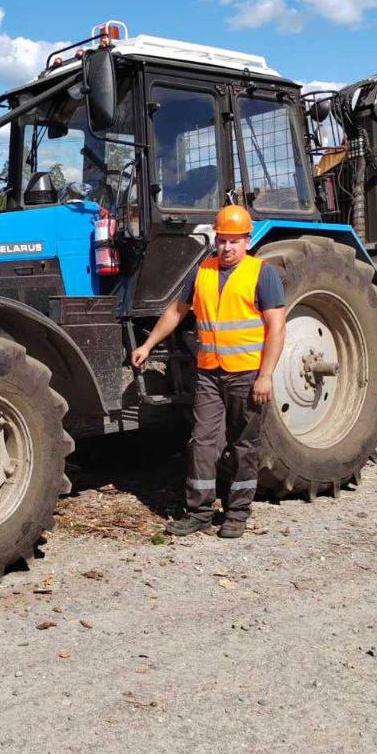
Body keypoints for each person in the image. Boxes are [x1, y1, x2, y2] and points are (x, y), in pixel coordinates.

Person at [131, 205, 287, 538]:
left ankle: (238, 513)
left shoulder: (262, 273)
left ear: (247, 241)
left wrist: (266, 374)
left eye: (234, 241)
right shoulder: (202, 271)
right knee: (202, 442)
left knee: (245, 444)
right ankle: (199, 512)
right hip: (210, 374)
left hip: (247, 374)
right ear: (216, 239)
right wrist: (147, 345)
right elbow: (176, 311)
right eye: (222, 240)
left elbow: (276, 327)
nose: (227, 247)